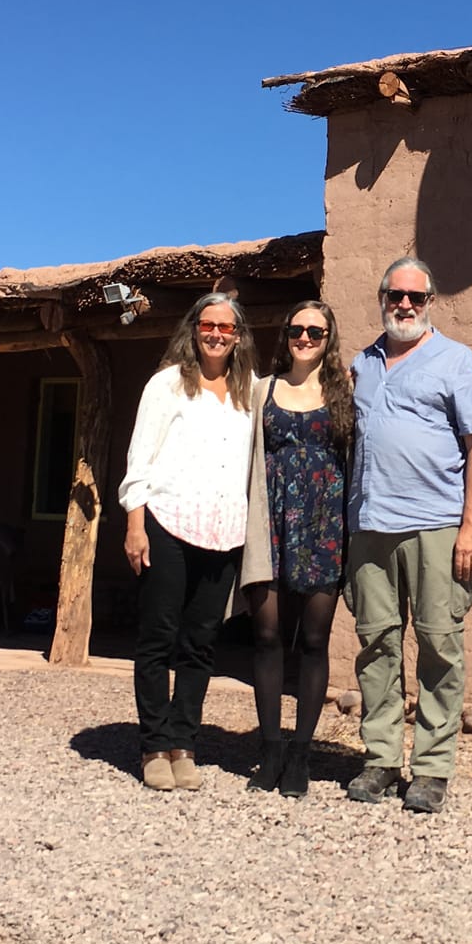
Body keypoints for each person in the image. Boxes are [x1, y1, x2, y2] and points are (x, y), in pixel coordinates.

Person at [341, 258, 472, 814]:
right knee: (376, 644)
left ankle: (431, 769)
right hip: (370, 526)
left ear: (431, 303)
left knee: (439, 645)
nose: (405, 305)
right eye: (395, 295)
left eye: (416, 298)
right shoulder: (363, 362)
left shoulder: (457, 361)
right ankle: (379, 758)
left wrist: (471, 524)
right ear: (381, 297)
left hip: (436, 524)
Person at [118, 293, 256, 792]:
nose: (217, 333)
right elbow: (141, 457)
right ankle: (154, 744)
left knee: (200, 644)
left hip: (223, 534)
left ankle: (184, 742)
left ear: (238, 335)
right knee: (158, 638)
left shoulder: (248, 394)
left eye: (227, 326)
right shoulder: (167, 386)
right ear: (194, 329)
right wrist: (135, 524)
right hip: (167, 523)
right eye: (208, 324)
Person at [239, 300, 353, 799]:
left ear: (329, 339)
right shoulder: (261, 390)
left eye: (317, 331)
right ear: (285, 334)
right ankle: (269, 749)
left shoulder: (345, 391)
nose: (306, 337)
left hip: (325, 526)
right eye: (298, 329)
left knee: (313, 641)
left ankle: (301, 752)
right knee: (265, 637)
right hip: (268, 523)